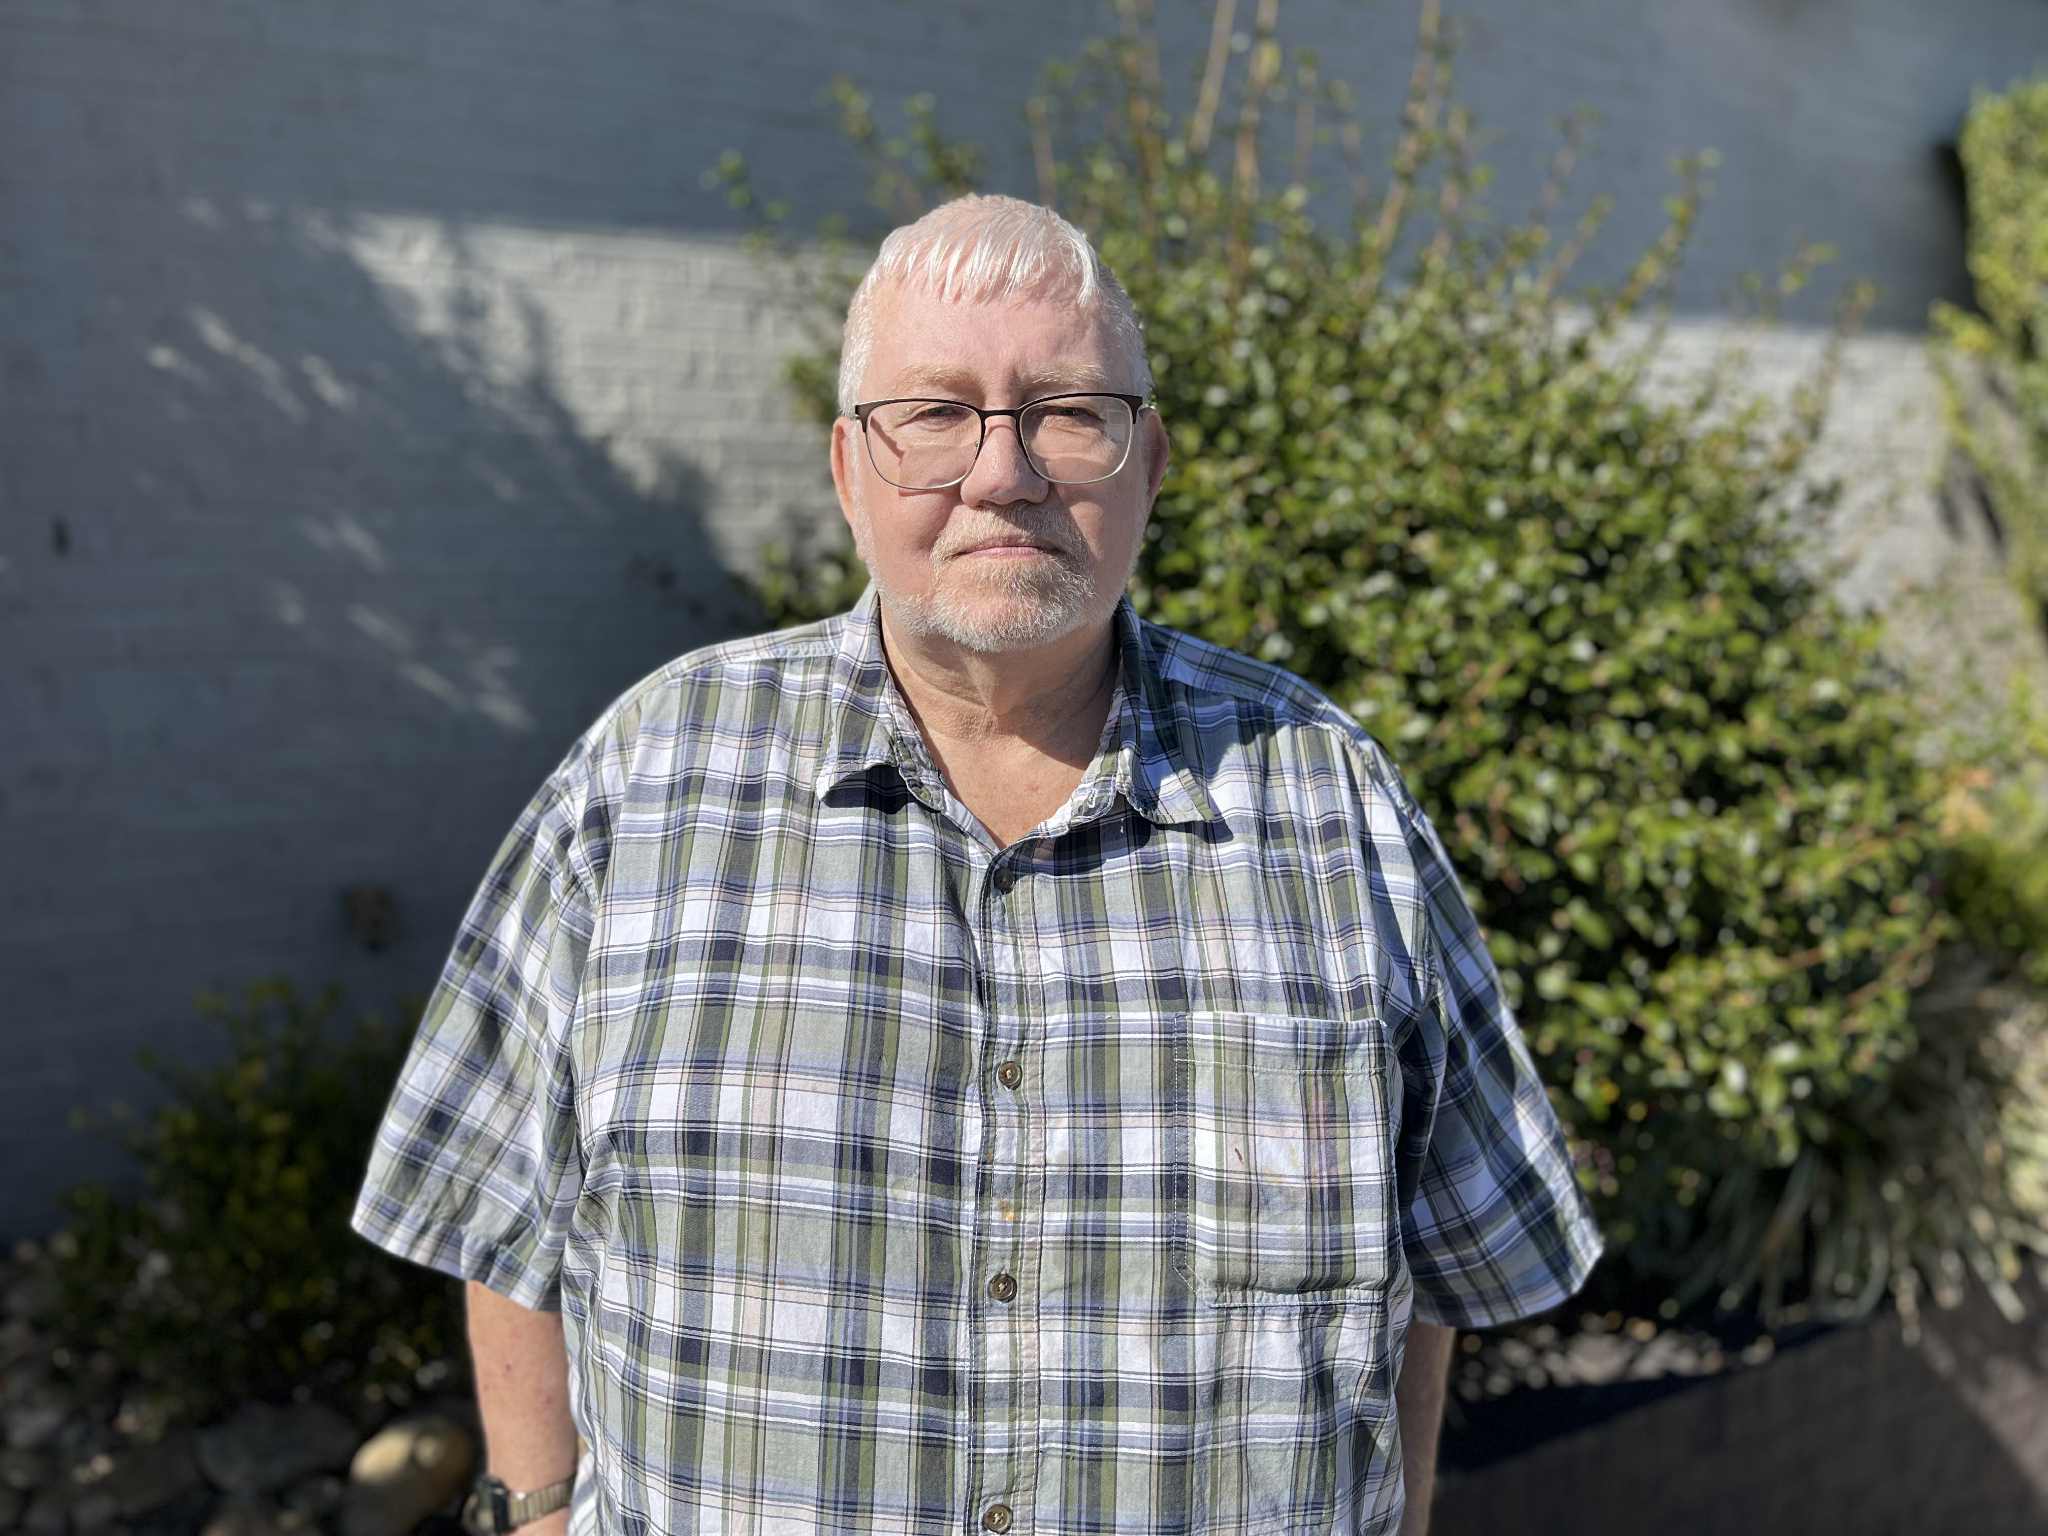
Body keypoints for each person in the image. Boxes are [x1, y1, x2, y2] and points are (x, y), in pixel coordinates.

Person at [353, 193, 1602, 1536]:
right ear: (847, 469)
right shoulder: (646, 779)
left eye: (1068, 411)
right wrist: (535, 1509)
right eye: (936, 414)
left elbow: (1449, 1262)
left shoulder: (1328, 800)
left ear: (1151, 462)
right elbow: (495, 1203)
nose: (1002, 472)